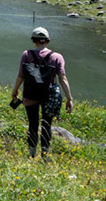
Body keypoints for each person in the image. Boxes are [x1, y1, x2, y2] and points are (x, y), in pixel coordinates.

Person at [9, 26, 73, 159]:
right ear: (47, 40)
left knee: (33, 124)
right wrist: (69, 99)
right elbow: (63, 78)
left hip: (30, 94)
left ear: (33, 40)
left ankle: (32, 153)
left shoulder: (27, 55)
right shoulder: (57, 57)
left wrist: (15, 90)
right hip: (48, 96)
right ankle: (44, 154)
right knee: (46, 125)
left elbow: (21, 76)